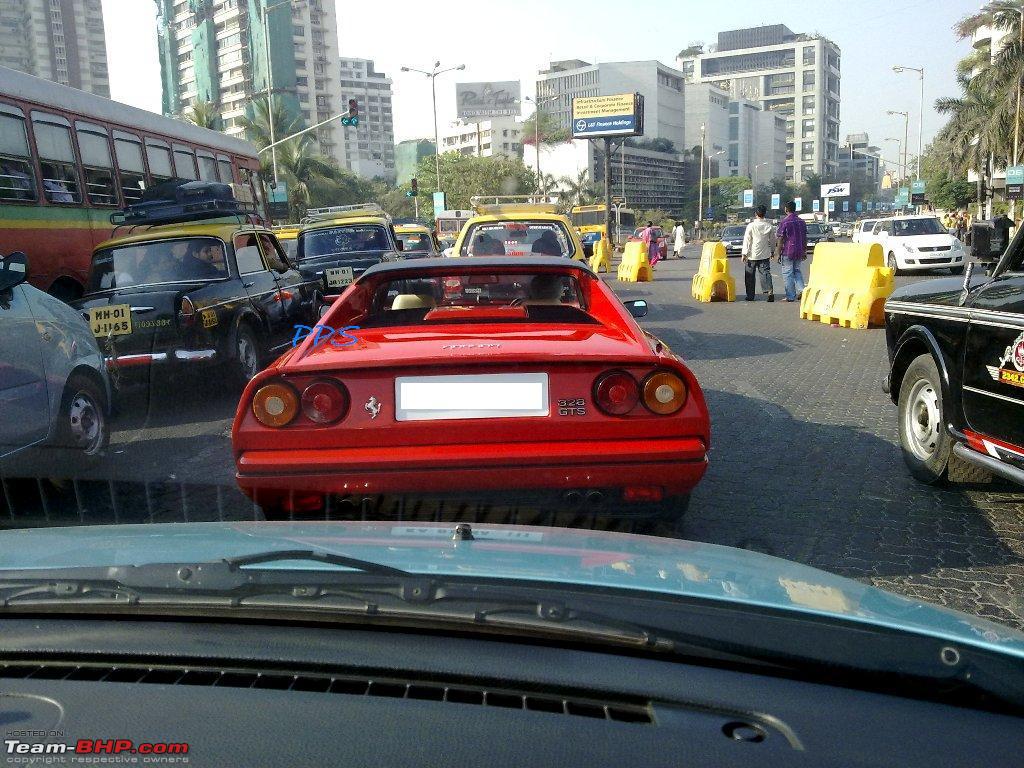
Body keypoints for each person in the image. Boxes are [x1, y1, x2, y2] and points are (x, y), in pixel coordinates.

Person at [776, 201, 808, 303]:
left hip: (788, 251)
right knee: (797, 271)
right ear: (795, 209)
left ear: (786, 209)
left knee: (788, 273)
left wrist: (777, 253)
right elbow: (805, 237)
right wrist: (804, 251)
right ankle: (802, 290)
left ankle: (790, 296)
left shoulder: (784, 222)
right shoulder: (802, 222)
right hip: (799, 250)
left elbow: (780, 239)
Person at [741, 205, 776, 302]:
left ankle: (750, 295)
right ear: (765, 214)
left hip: (751, 255)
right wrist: (772, 251)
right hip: (764, 254)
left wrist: (744, 254)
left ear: (755, 214)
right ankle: (769, 291)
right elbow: (773, 240)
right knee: (765, 274)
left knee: (749, 276)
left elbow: (747, 240)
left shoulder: (751, 226)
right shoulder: (769, 226)